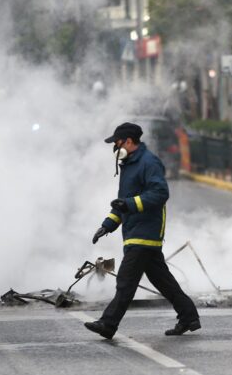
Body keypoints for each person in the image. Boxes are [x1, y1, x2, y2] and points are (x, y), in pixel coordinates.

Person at [86, 122, 201, 339]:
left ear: (128, 141)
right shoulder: (129, 165)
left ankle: (108, 324)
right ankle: (189, 316)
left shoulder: (149, 162)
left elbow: (159, 194)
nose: (114, 147)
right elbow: (122, 204)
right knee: (162, 281)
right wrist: (107, 225)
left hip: (145, 232)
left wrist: (128, 205)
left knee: (126, 282)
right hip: (134, 231)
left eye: (116, 142)